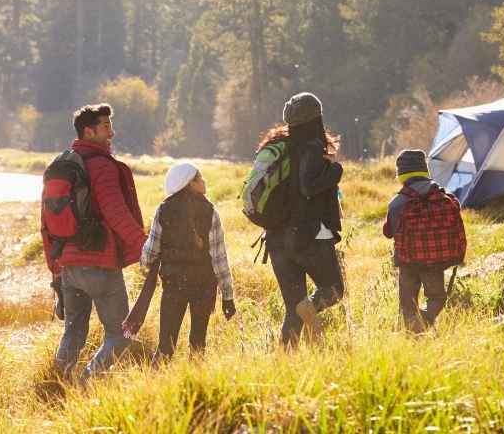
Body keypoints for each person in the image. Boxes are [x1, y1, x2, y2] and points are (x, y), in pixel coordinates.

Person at [43, 103, 145, 381]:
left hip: (68, 266)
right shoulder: (101, 166)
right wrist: (145, 245)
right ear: (89, 131)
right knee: (121, 333)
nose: (112, 133)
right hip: (99, 263)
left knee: (74, 331)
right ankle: (87, 382)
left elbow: (46, 225)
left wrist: (55, 268)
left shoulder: (61, 167)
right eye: (106, 127)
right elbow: (116, 212)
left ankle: (58, 385)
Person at [259, 92, 345, 346]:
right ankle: (310, 310)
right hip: (308, 237)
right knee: (333, 291)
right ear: (317, 118)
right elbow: (309, 186)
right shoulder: (312, 147)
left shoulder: (277, 147)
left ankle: (287, 365)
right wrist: (336, 170)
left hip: (275, 239)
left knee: (293, 309)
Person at [137, 162, 236, 362]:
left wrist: (146, 264)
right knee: (198, 345)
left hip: (174, 285)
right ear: (189, 184)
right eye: (199, 178)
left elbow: (149, 253)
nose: (204, 180)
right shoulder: (210, 211)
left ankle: (156, 385)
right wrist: (228, 295)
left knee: (166, 345)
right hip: (204, 286)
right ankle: (195, 387)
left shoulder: (163, 210)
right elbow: (219, 258)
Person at [381, 149, 465, 333]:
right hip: (435, 263)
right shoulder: (445, 198)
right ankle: (425, 320)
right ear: (425, 172)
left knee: (407, 302)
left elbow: (388, 233)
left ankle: (413, 332)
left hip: (407, 262)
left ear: (401, 176)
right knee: (437, 298)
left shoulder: (398, 202)